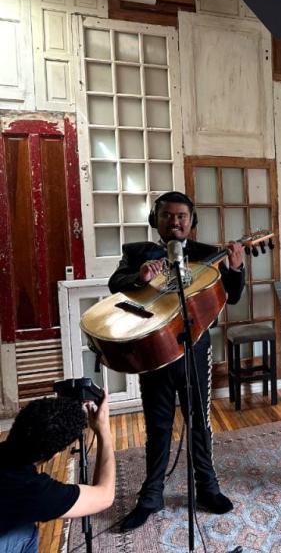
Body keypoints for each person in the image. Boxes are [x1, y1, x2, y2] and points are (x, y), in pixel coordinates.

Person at [109, 191, 245, 531]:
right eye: (168, 216)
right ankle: (151, 496)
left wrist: (237, 267)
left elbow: (233, 294)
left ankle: (207, 488)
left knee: (200, 422)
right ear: (157, 220)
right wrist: (138, 278)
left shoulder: (206, 255)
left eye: (182, 216)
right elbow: (116, 284)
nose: (175, 221)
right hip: (153, 352)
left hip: (195, 348)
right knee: (158, 426)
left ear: (192, 221)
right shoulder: (136, 253)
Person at [0, 393, 114, 553]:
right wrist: (104, 431)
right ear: (55, 455)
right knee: (26, 534)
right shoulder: (32, 490)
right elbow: (105, 496)